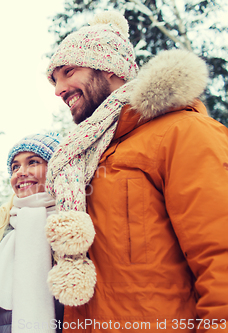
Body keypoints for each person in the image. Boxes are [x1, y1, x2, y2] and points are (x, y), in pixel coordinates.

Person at [44, 10, 228, 332]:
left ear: (111, 69)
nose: (59, 89)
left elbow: (220, 255)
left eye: (68, 71)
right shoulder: (83, 161)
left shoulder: (184, 133)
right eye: (54, 80)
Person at [0, 133, 64, 333]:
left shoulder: (72, 228)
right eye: (15, 167)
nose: (21, 172)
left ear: (56, 169)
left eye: (33, 162)